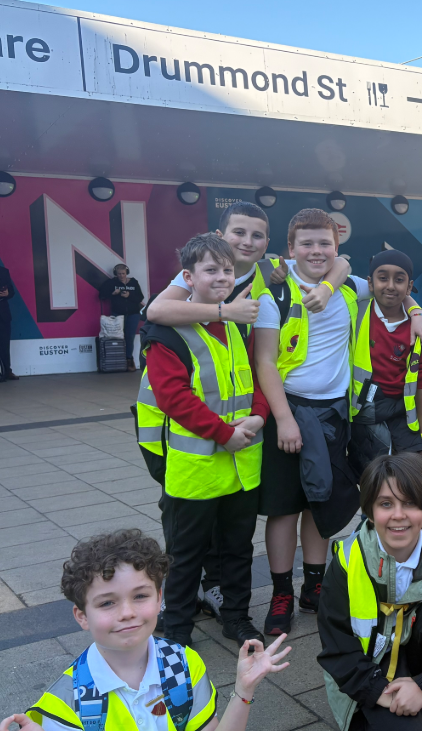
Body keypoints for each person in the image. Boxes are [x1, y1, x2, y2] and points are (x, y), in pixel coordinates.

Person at [253, 209, 422, 637]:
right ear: (291, 248)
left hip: (335, 415)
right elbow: (265, 361)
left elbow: (393, 289)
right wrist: (284, 420)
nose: (316, 251)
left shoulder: (351, 286)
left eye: (325, 244)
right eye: (306, 244)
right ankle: (281, 591)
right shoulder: (275, 294)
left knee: (322, 502)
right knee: (284, 508)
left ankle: (314, 586)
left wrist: (418, 312)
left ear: (336, 248)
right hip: (288, 411)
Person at [2, 529, 291, 731]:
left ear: (159, 599)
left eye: (140, 596)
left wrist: (243, 689)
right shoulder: (65, 703)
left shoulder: (184, 663)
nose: (127, 612)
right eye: (107, 603)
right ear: (82, 616)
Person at [135, 234, 269, 648]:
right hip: (195, 468)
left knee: (238, 550)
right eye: (211, 270)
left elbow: (255, 379)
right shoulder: (166, 331)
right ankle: (176, 631)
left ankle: (236, 618)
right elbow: (174, 398)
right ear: (188, 278)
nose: (222, 277)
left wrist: (260, 416)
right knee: (185, 554)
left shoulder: (237, 325)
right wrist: (225, 434)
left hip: (241, 464)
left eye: (227, 270)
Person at [317, 454, 422, 731]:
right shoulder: (348, 562)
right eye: (386, 504)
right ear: (370, 512)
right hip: (370, 670)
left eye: (409, 503)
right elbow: (336, 645)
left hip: (419, 662)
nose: (398, 515)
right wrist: (379, 692)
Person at [348, 249, 422, 475]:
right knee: (372, 479)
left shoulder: (420, 331)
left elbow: (421, 385)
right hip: (364, 417)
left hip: (403, 418)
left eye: (399, 280)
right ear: (370, 283)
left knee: (407, 478)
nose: (390, 286)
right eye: (382, 278)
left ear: (409, 287)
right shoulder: (355, 314)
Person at [100, 264, 145, 371]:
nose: (121, 276)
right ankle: (118, 360)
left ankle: (129, 359)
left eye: (123, 273)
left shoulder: (133, 282)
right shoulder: (111, 283)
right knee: (117, 337)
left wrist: (129, 295)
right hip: (117, 314)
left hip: (133, 314)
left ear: (127, 273)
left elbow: (140, 297)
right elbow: (101, 295)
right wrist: (112, 293)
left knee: (130, 337)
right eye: (119, 274)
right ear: (116, 274)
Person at [0, 265, 17, 382]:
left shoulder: (4, 271)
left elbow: (12, 291)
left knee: (5, 344)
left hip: (3, 314)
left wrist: (7, 293)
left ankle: (7, 371)